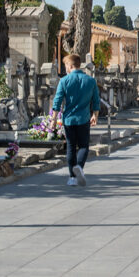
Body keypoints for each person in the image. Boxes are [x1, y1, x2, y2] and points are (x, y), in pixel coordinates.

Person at [52, 53, 100, 187]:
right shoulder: (90, 81)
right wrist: (94, 115)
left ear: (71, 65)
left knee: (71, 147)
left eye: (66, 64)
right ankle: (79, 166)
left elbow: (58, 101)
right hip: (83, 118)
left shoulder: (64, 81)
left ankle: (72, 178)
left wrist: (54, 119)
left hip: (68, 119)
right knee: (84, 146)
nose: (65, 67)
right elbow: (96, 100)